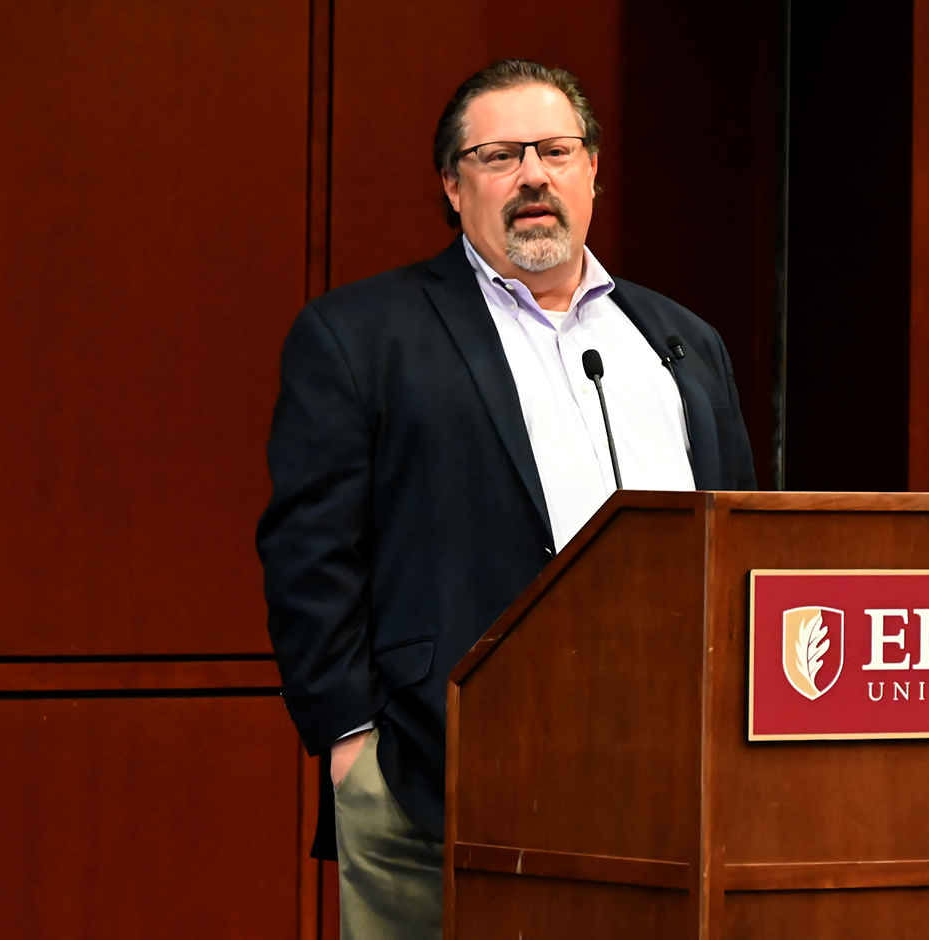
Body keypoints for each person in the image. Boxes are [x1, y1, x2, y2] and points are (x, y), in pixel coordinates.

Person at [257, 59, 757, 939]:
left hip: (670, 772)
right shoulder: (362, 335)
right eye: (498, 156)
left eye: (555, 150)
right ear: (453, 187)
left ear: (593, 169)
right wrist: (350, 746)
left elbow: (744, 533)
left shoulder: (679, 340)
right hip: (435, 772)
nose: (533, 175)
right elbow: (309, 553)